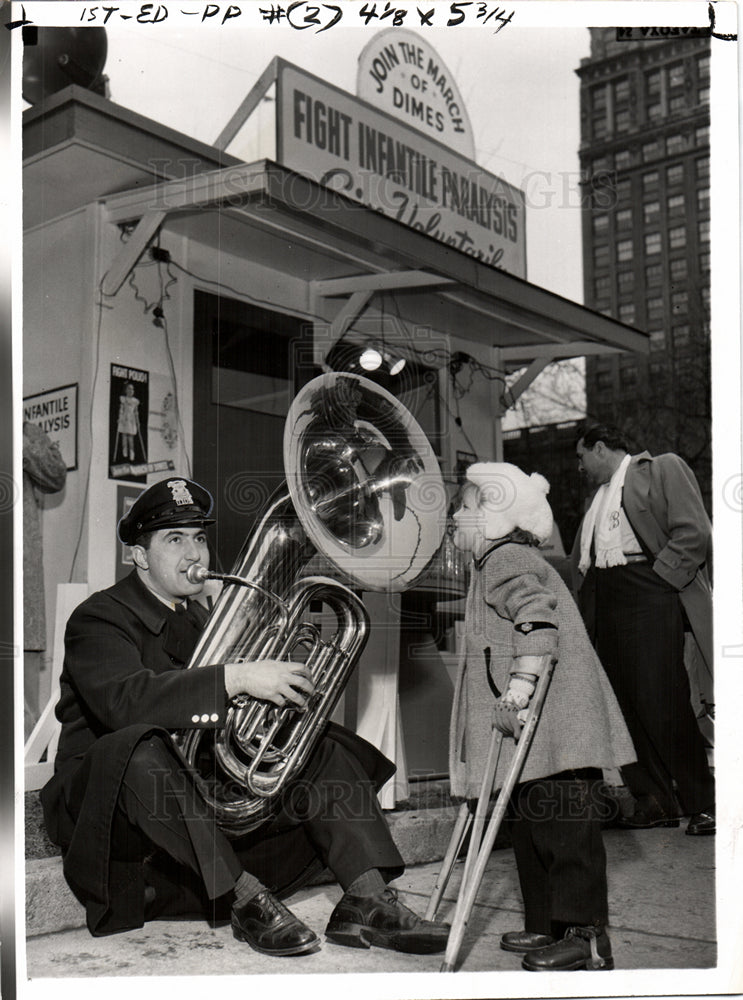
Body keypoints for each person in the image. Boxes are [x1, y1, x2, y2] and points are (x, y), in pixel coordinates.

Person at [41, 476, 449, 957]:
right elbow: (124, 703)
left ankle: (366, 896)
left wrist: (280, 683)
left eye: (199, 537)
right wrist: (236, 679)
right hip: (112, 807)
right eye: (174, 540)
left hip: (191, 804)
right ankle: (245, 899)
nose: (194, 553)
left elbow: (233, 717)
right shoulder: (100, 616)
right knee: (139, 746)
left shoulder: (203, 620)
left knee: (317, 742)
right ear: (138, 555)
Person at [449, 462, 635, 972]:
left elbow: (537, 615)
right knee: (532, 827)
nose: (455, 517)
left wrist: (520, 688)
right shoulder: (496, 560)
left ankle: (587, 937)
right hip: (538, 731)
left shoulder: (505, 558)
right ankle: (547, 923)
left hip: (555, 726)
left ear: (492, 515)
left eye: (464, 508)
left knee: (564, 827)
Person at [573, 424, 715, 836]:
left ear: (600, 448)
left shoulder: (660, 468)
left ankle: (705, 801)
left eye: (581, 457)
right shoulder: (597, 501)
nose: (579, 467)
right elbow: (583, 561)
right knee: (621, 707)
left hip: (646, 588)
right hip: (606, 596)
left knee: (662, 699)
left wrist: (660, 583)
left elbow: (695, 533)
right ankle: (655, 801)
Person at [23, 420, 67, 738]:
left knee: (21, 704)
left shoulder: (26, 429)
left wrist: (21, 441)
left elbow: (55, 473)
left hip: (17, 592)